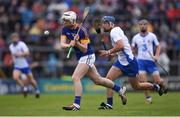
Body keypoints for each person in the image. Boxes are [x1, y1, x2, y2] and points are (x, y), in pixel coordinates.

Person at [60, 11, 126, 111]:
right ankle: (120, 89)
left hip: (88, 56)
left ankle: (76, 105)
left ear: (72, 20)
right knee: (98, 80)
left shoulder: (82, 31)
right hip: (81, 57)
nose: (64, 22)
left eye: (66, 20)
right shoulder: (64, 29)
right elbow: (62, 44)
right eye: (64, 20)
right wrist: (70, 44)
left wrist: (77, 43)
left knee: (75, 77)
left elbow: (84, 49)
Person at [97, 16, 166, 109]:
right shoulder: (116, 30)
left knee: (137, 86)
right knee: (108, 80)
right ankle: (109, 104)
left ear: (111, 24)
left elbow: (121, 46)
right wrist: (114, 54)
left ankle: (156, 87)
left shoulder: (114, 32)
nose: (102, 25)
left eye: (104, 23)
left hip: (129, 63)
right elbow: (125, 46)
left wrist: (108, 52)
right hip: (121, 61)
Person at [131, 19, 167, 104]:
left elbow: (158, 46)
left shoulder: (152, 36)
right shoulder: (135, 37)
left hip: (150, 61)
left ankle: (163, 86)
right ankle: (148, 99)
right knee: (143, 81)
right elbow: (132, 48)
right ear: (139, 26)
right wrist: (131, 52)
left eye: (144, 24)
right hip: (141, 62)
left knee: (158, 81)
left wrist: (157, 56)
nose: (142, 26)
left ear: (147, 26)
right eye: (141, 25)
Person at [9, 33, 40, 98]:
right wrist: (12, 60)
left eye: (15, 37)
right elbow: (12, 55)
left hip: (24, 65)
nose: (14, 39)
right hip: (17, 66)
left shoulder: (22, 44)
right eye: (13, 38)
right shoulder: (11, 46)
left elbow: (27, 53)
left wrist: (21, 54)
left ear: (18, 38)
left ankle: (37, 90)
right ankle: (24, 88)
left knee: (31, 79)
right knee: (15, 77)